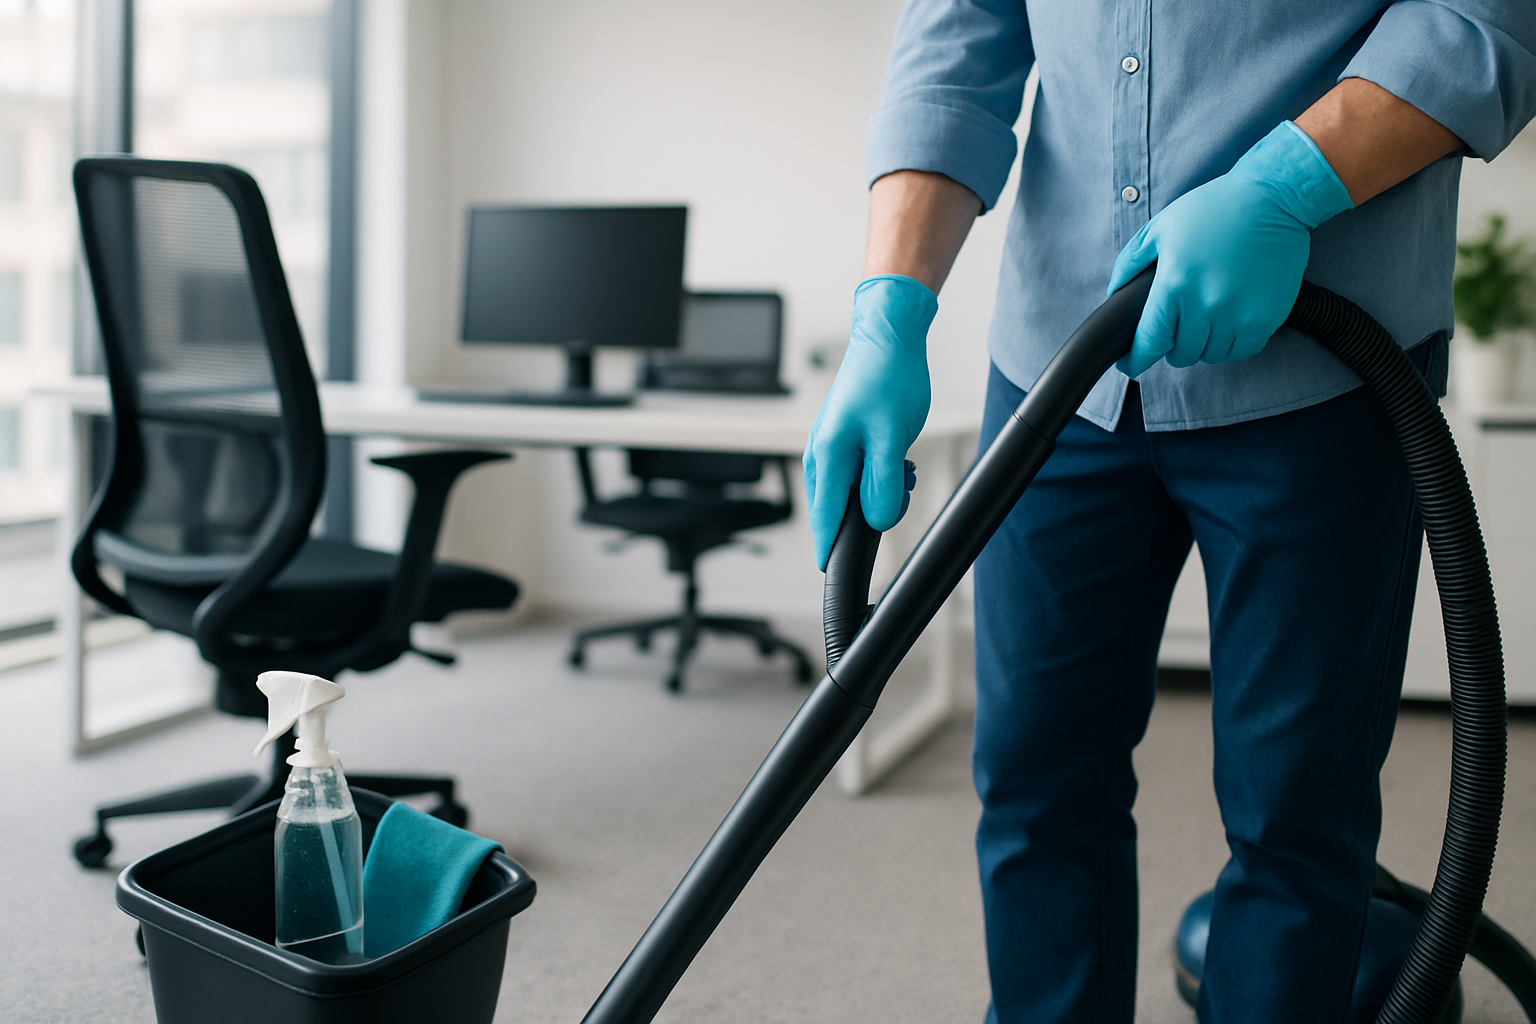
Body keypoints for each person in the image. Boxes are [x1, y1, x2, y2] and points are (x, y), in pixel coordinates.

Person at [802, 3, 1536, 1022]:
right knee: (1032, 775)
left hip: (1321, 361)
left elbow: (1481, 17)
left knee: (1296, 811)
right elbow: (958, 32)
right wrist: (891, 305)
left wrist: (1286, 184)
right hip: (1060, 360)